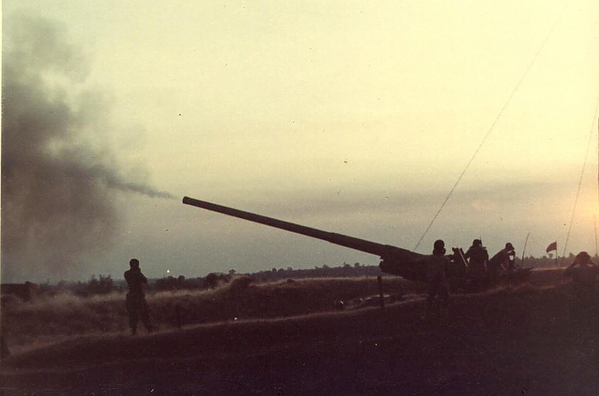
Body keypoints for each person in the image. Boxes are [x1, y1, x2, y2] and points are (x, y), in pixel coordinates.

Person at [563, 251, 599, 332]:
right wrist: (592, 262)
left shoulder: (575, 269)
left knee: (577, 316)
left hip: (578, 296)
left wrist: (573, 263)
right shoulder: (592, 269)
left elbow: (565, 273)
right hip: (591, 295)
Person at [424, 239, 451, 323]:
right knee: (445, 298)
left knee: (430, 298)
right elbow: (448, 270)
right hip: (441, 281)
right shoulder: (445, 259)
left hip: (431, 281)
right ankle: (443, 316)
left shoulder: (429, 258)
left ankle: (428, 315)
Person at [125, 258, 153, 335]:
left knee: (134, 315)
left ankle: (135, 331)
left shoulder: (127, 273)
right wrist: (139, 272)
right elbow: (144, 280)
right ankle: (148, 330)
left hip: (132, 296)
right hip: (137, 296)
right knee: (143, 314)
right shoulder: (135, 273)